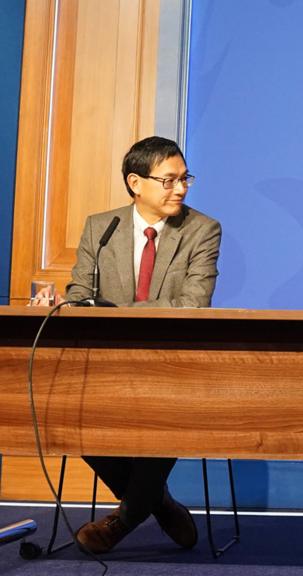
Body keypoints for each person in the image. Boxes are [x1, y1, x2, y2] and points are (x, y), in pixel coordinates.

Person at [63, 136, 220, 553]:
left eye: (185, 179)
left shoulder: (202, 229)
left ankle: (122, 521)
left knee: (167, 412)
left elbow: (193, 303)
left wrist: (116, 309)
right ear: (136, 183)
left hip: (173, 363)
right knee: (67, 414)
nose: (181, 189)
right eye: (169, 181)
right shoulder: (102, 227)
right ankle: (160, 504)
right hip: (106, 363)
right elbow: (79, 293)